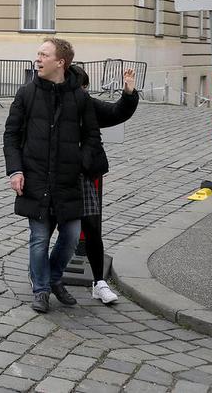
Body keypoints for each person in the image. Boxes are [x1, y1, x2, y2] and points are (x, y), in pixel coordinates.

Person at [3, 38, 115, 314]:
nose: (37, 59)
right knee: (39, 237)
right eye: (37, 54)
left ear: (60, 62)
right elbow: (11, 136)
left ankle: (53, 278)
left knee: (72, 235)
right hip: (36, 176)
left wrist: (82, 161)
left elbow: (92, 134)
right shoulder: (26, 93)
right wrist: (16, 170)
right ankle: (41, 288)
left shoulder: (78, 96)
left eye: (44, 54)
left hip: (68, 179)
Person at [68, 64, 138, 305]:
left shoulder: (87, 104)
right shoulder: (50, 103)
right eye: (81, 87)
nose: (84, 92)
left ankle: (99, 283)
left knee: (92, 227)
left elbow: (116, 112)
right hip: (57, 173)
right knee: (52, 227)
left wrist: (128, 92)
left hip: (85, 173)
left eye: (85, 88)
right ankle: (46, 277)